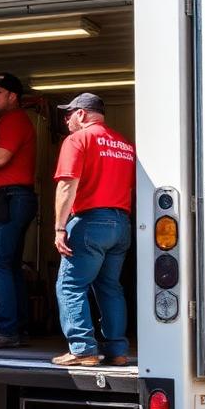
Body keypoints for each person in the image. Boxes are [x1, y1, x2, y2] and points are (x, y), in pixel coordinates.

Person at [50, 92, 135, 367]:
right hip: (121, 224)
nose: (66, 120)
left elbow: (67, 184)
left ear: (82, 114)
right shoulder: (124, 144)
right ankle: (117, 350)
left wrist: (60, 228)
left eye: (69, 114)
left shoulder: (77, 139)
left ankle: (82, 349)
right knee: (110, 287)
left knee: (71, 285)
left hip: (90, 223)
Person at [0, 72, 38, 349]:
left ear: (13, 96)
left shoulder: (14, 120)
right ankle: (18, 327)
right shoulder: (6, 121)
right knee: (10, 265)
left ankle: (6, 329)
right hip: (12, 199)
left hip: (9, 199)